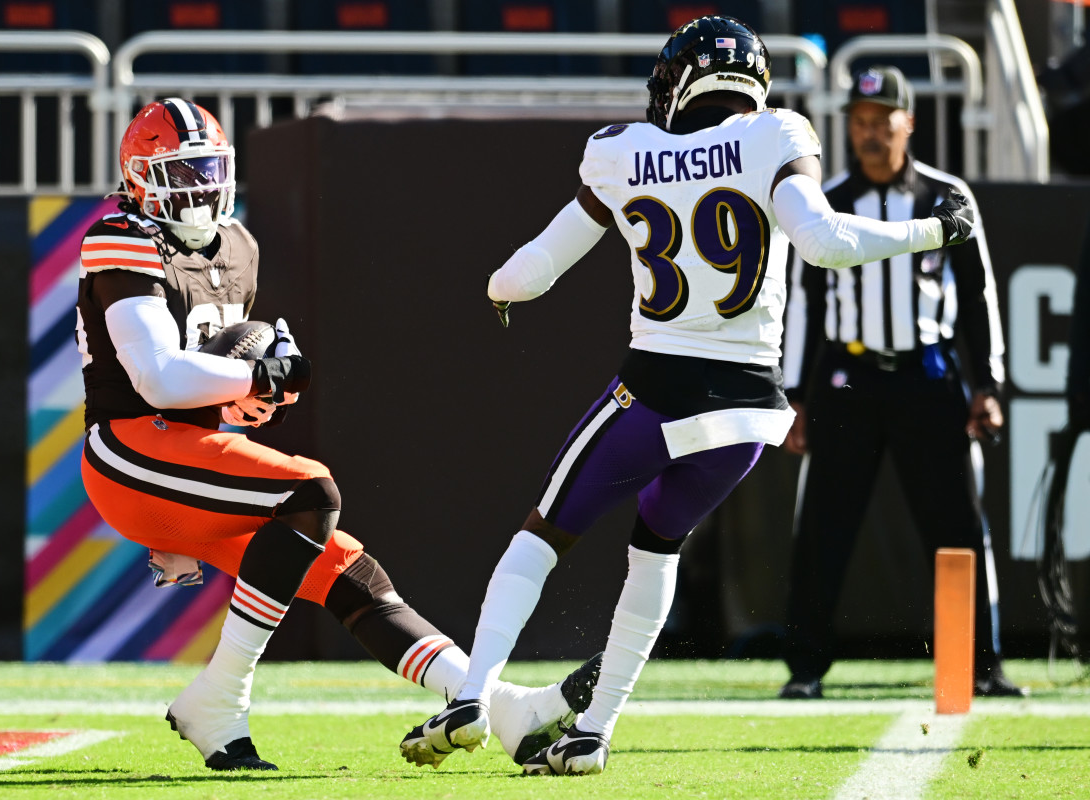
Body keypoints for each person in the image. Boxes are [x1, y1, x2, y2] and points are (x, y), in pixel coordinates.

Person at [403, 17, 977, 777]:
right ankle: (594, 728)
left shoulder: (622, 152)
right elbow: (827, 242)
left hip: (655, 389)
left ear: (681, 81)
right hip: (746, 412)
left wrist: (496, 289)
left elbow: (531, 273)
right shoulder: (776, 134)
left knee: (542, 534)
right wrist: (932, 234)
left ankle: (473, 695)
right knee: (656, 548)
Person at [76, 97, 601, 772]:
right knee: (313, 490)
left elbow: (214, 392)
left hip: (192, 455)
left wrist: (259, 395)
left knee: (354, 575)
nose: (200, 187)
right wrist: (251, 380)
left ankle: (498, 706)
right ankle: (221, 694)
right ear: (141, 179)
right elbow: (157, 378)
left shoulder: (239, 246)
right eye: (182, 172)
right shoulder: (120, 235)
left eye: (208, 169)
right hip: (128, 449)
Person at [778, 65, 1022, 699]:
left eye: (881, 123)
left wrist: (987, 384)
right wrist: (795, 395)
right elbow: (802, 302)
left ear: (907, 123)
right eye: (859, 124)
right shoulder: (822, 199)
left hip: (927, 375)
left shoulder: (948, 197)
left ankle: (977, 667)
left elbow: (977, 295)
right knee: (823, 526)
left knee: (958, 526)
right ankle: (804, 671)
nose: (869, 136)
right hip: (847, 379)